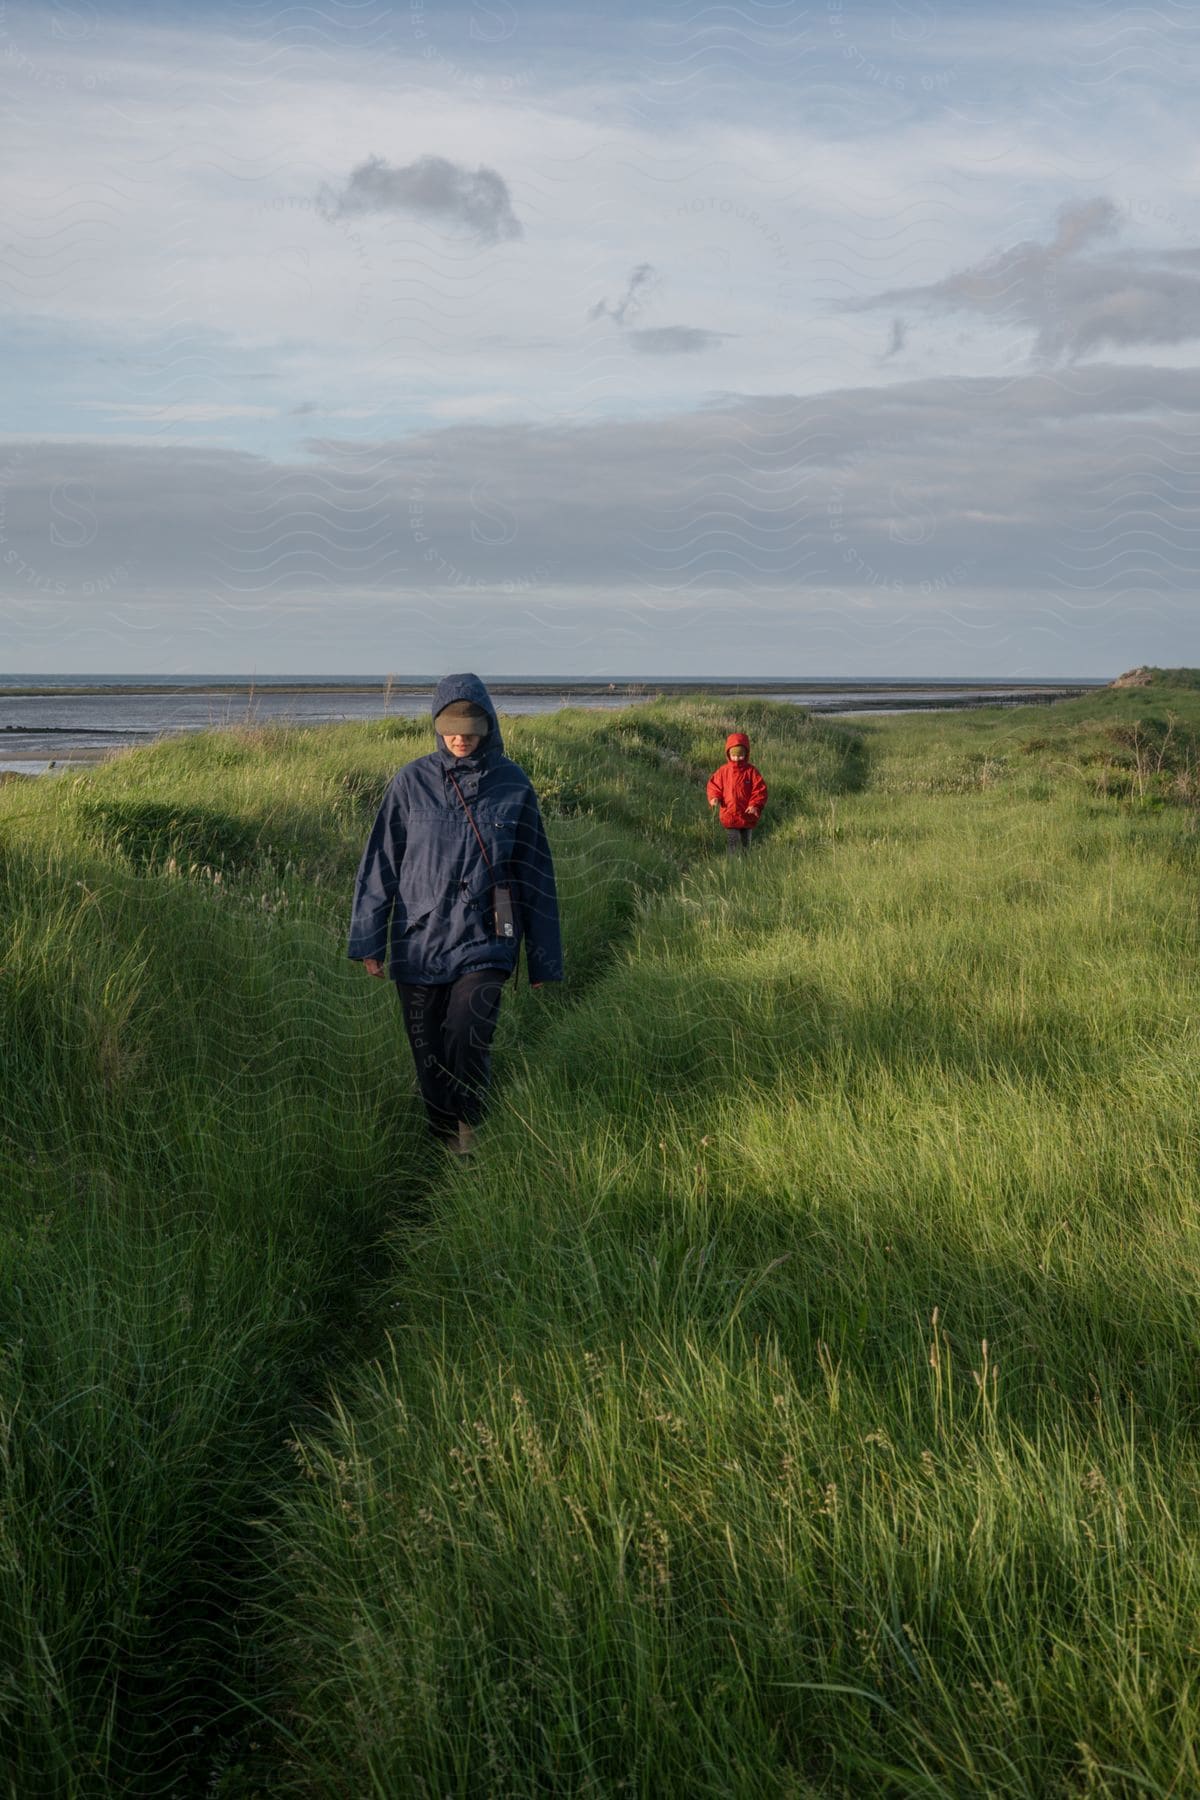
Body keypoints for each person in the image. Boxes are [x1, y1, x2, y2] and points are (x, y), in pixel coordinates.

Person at [348, 673, 563, 1157]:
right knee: (428, 1050)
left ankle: (472, 1126)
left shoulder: (514, 784)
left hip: (485, 940)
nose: (461, 737)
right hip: (416, 940)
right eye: (451, 726)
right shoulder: (411, 782)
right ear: (436, 724)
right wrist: (368, 941)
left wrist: (544, 960)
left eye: (471, 727)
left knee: (467, 1034)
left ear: (489, 725)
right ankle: (443, 1134)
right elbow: (381, 861)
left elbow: (535, 874)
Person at [707, 730, 768, 854]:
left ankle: (746, 863)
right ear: (729, 754)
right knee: (732, 842)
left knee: (746, 843)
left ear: (746, 754)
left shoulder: (751, 772)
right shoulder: (723, 771)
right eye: (734, 755)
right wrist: (715, 797)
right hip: (730, 814)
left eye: (741, 755)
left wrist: (754, 805)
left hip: (747, 815)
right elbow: (714, 785)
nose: (737, 758)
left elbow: (760, 789)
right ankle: (731, 865)